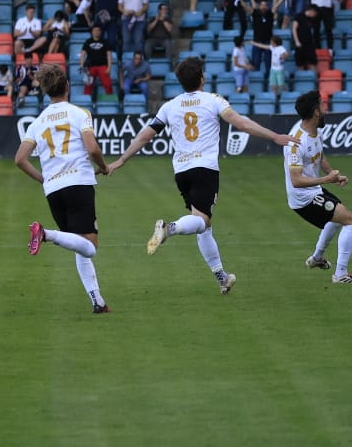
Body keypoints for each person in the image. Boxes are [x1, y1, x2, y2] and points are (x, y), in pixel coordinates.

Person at [110, 56, 291, 294]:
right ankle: (169, 228)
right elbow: (241, 123)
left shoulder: (169, 105)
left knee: (204, 226)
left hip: (182, 171)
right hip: (204, 169)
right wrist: (275, 137)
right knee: (202, 221)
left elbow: (145, 136)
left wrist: (122, 159)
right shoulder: (212, 100)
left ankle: (222, 278)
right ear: (202, 78)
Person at [16, 64, 112, 314]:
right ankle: (45, 234)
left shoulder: (38, 122)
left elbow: (20, 159)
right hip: (78, 182)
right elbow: (92, 149)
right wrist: (103, 166)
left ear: (47, 91)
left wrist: (43, 178)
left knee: (78, 245)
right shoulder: (79, 113)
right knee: (90, 246)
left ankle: (97, 301)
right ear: (68, 86)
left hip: (53, 189)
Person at [284, 90, 352, 284]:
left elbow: (319, 157)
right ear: (316, 112)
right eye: (323, 104)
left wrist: (333, 175)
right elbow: (296, 180)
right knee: (351, 221)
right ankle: (341, 275)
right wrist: (327, 179)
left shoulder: (315, 132)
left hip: (313, 192)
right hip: (303, 198)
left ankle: (317, 258)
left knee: (337, 218)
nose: (326, 108)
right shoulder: (295, 142)